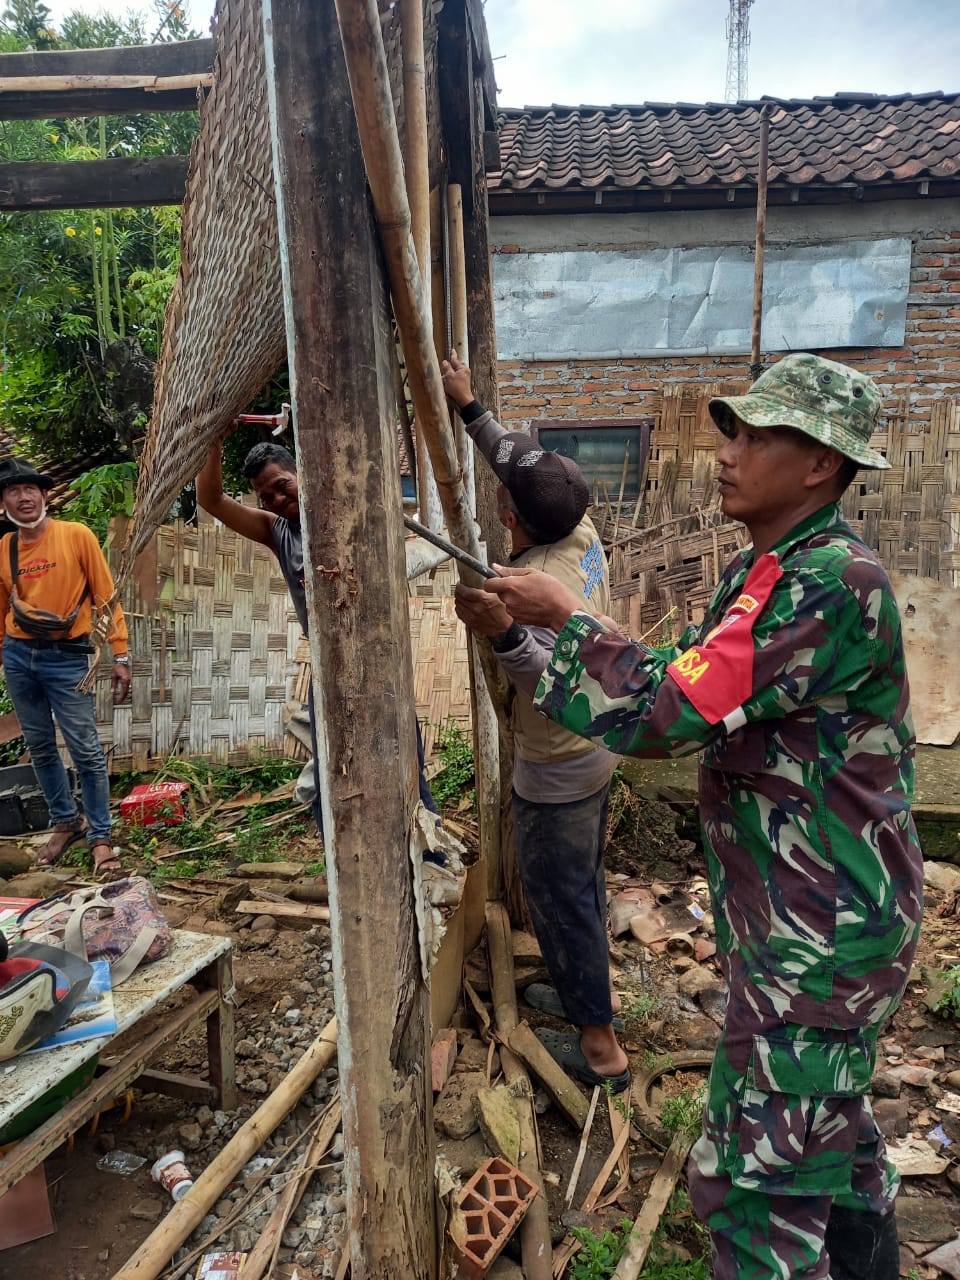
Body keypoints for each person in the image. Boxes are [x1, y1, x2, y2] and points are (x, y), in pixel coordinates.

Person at [477, 353, 923, 1280]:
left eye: (756, 437)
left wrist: (565, 615)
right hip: (808, 922)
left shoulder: (833, 581)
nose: (727, 452)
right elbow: (683, 674)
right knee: (829, 1151)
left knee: (754, 1197)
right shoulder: (766, 569)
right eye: (733, 430)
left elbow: (663, 714)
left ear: (820, 466)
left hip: (820, 938)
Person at [440, 350, 629, 1092]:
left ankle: (602, 1047)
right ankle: (590, 999)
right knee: (580, 885)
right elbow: (523, 464)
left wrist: (501, 631)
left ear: (505, 514)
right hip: (597, 753)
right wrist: (470, 407)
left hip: (557, 764)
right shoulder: (576, 528)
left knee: (562, 897)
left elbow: (553, 682)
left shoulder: (533, 588)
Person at [196, 436, 437, 828]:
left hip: (377, 658)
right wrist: (214, 441)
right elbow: (211, 501)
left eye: (281, 485)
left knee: (404, 762)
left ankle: (431, 862)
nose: (275, 499)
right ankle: (341, 870)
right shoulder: (276, 532)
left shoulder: (345, 511)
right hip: (328, 668)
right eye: (264, 495)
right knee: (332, 771)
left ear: (301, 474)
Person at [0, 458, 132, 878]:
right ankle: (64, 821)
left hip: (68, 655)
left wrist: (121, 653)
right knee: (39, 746)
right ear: (3, 500)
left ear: (44, 495)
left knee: (86, 751)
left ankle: (100, 835)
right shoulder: (4, 549)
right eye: (14, 491)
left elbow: (106, 596)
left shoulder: (75, 536)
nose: (24, 497)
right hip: (19, 656)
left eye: (30, 489)